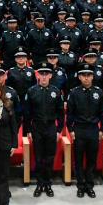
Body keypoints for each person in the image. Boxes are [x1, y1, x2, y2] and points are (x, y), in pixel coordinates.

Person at [24, 62, 64, 197]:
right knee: (39, 156)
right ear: (38, 75)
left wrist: (59, 130)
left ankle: (48, 183)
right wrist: (28, 130)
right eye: (42, 74)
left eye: (47, 74)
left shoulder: (56, 91)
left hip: (51, 127)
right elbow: (27, 113)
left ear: (51, 75)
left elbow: (60, 113)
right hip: (37, 127)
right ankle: (39, 183)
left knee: (49, 157)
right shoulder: (31, 91)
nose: (44, 77)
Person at [66, 63, 103, 198]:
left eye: (89, 75)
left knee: (91, 159)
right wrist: (71, 130)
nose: (86, 78)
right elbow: (70, 113)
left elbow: (102, 113)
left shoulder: (98, 92)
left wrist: (102, 130)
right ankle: (80, 185)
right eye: (84, 75)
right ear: (79, 77)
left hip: (94, 130)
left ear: (93, 77)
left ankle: (89, 185)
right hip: (79, 130)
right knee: (78, 159)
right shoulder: (74, 92)